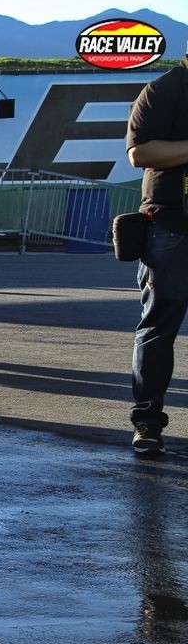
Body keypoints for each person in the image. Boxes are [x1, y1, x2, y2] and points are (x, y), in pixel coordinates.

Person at [125, 52, 188, 454]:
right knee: (158, 329)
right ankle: (147, 423)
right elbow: (140, 153)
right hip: (172, 226)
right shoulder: (165, 90)